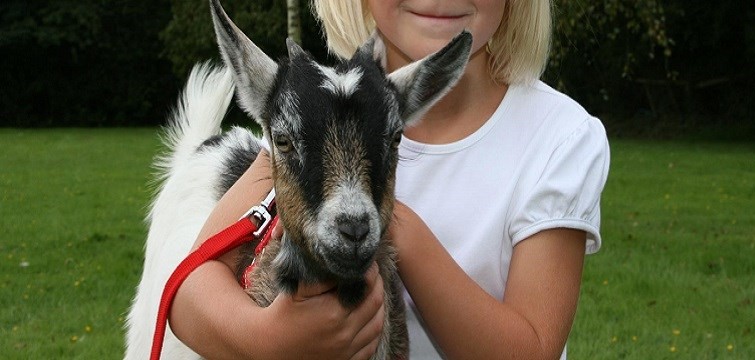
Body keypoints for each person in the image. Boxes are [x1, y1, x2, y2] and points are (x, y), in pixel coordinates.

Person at [169, 0, 610, 359]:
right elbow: (187, 293)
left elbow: (532, 352)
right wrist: (272, 340)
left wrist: (399, 231)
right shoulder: (310, 114)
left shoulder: (558, 138)